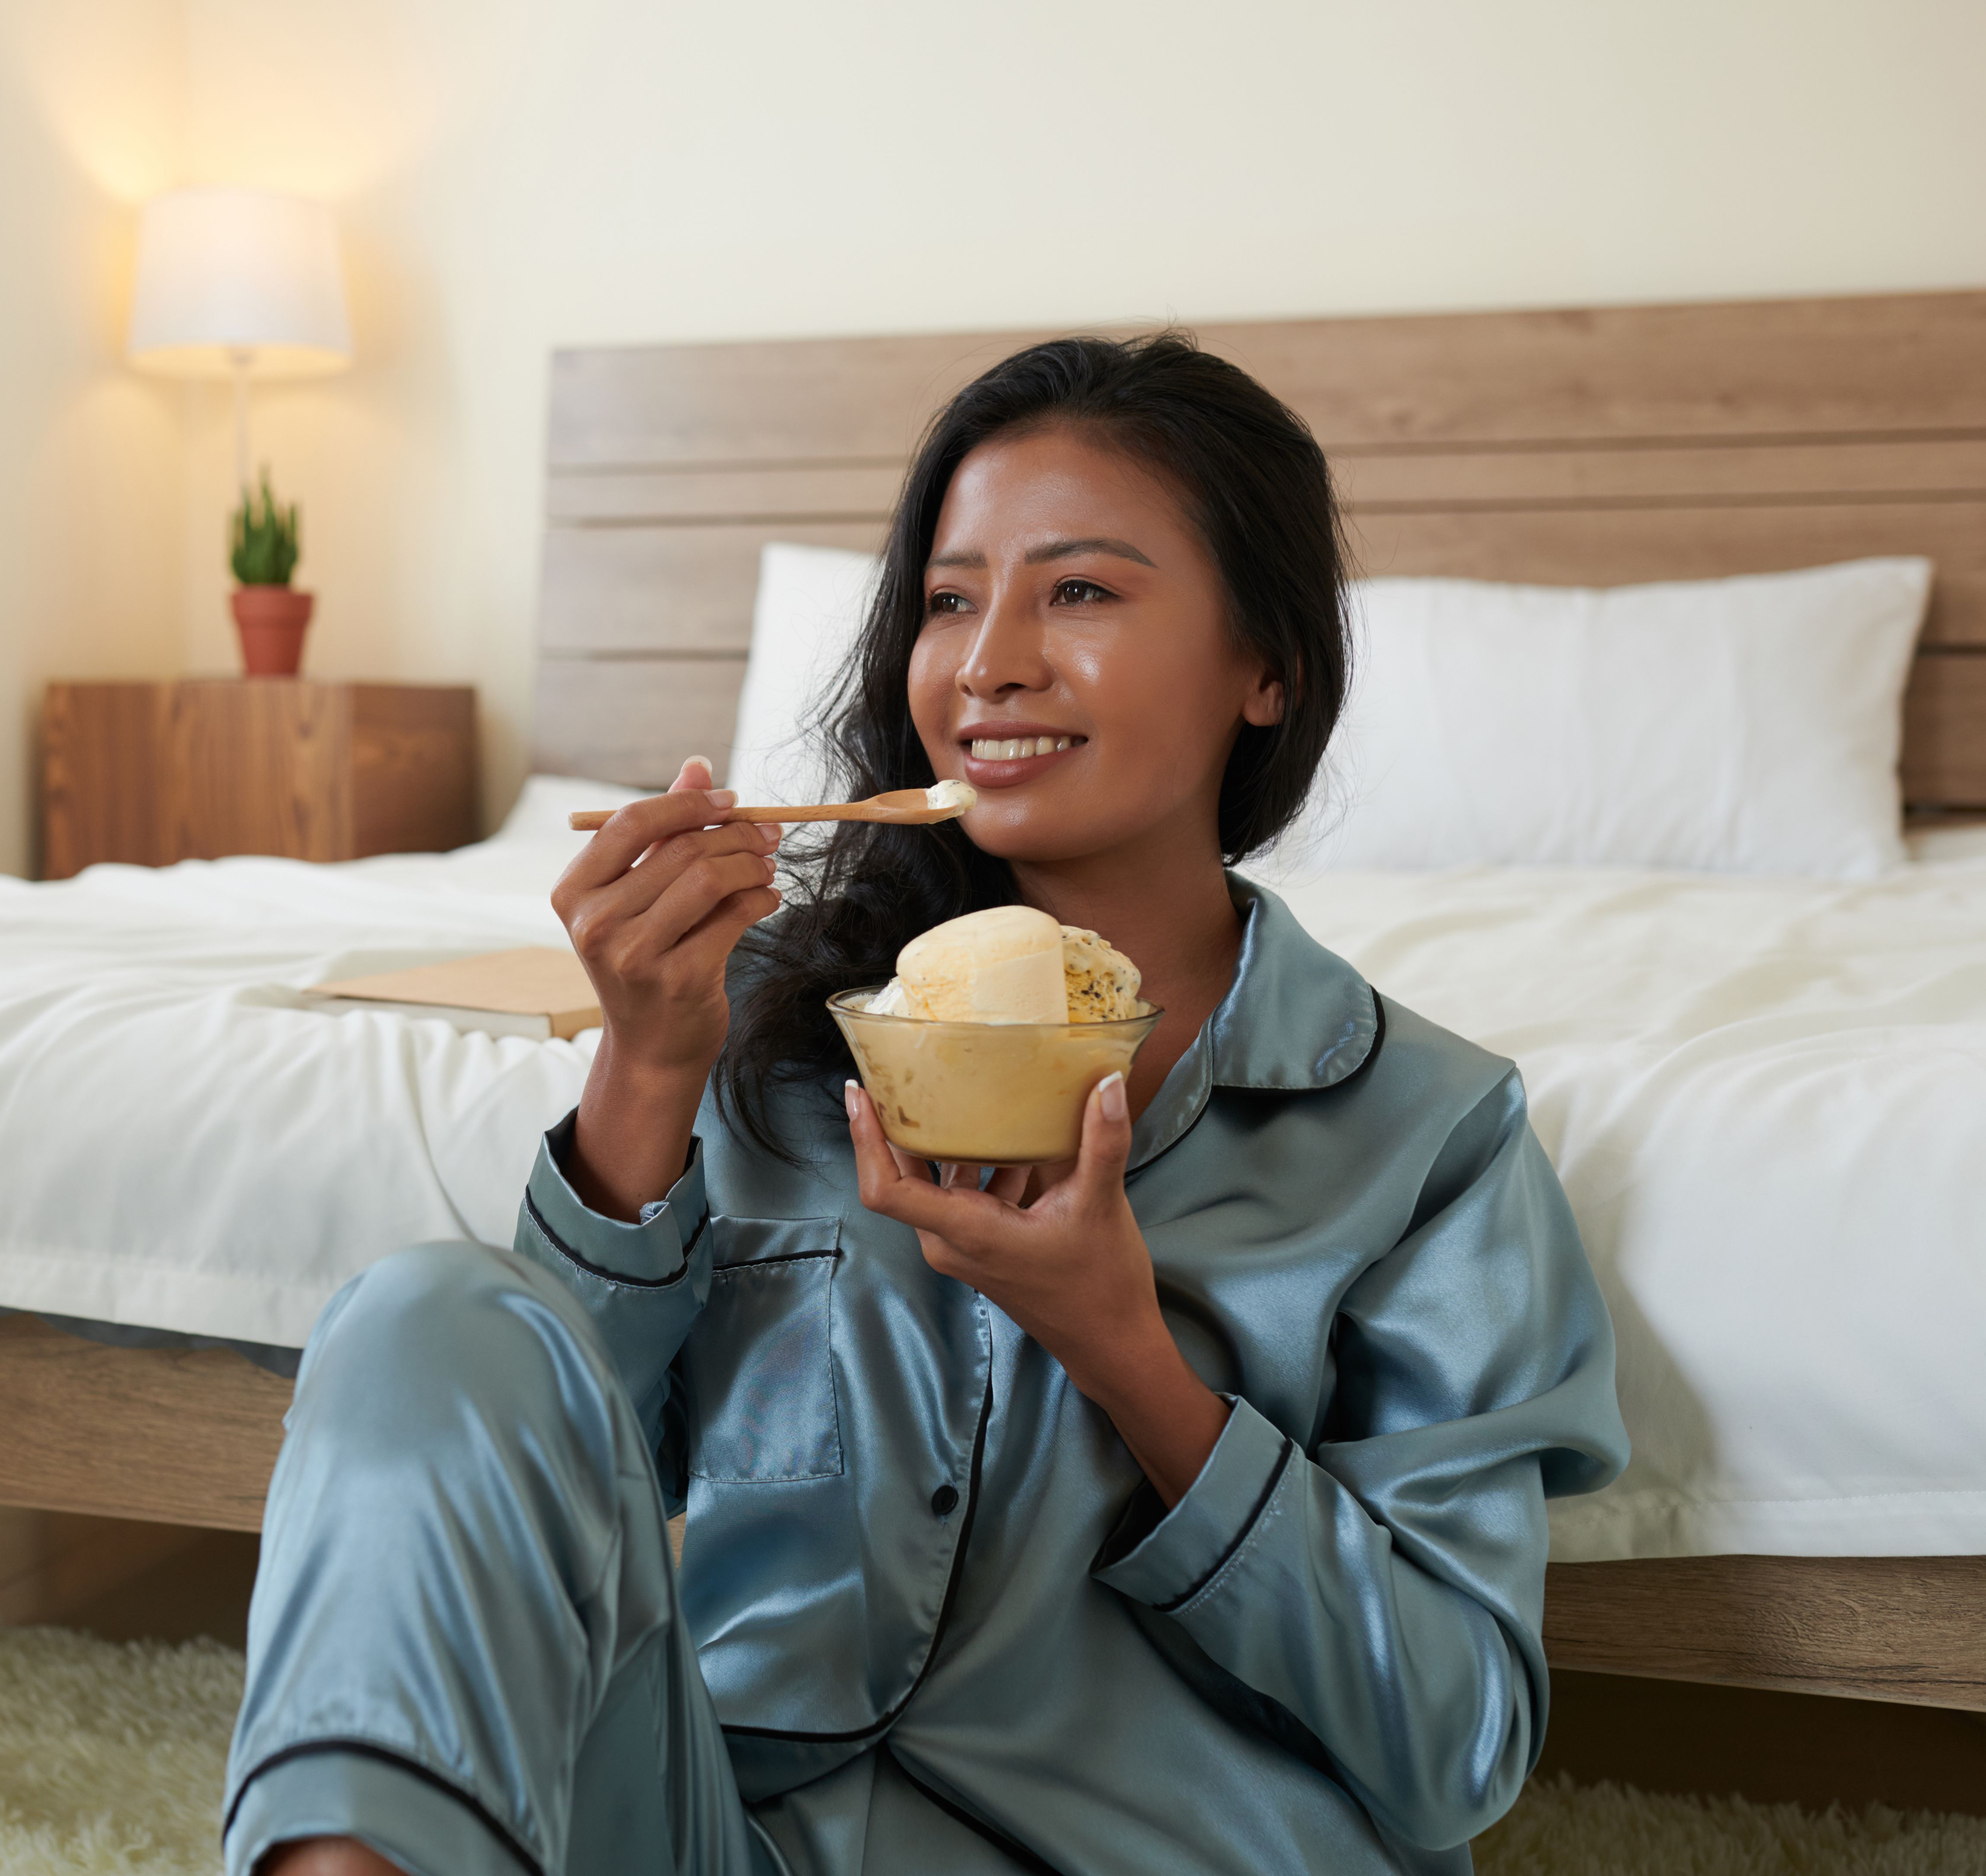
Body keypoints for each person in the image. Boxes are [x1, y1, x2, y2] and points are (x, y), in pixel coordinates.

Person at [222, 334, 1629, 1876]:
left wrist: (1133, 1359)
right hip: (730, 1844)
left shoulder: (1426, 1136)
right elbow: (546, 1503)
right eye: (951, 600)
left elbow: (1460, 1748)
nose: (988, 662)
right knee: (425, 1317)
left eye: (1080, 591)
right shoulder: (781, 1044)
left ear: (1268, 665)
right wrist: (646, 1069)